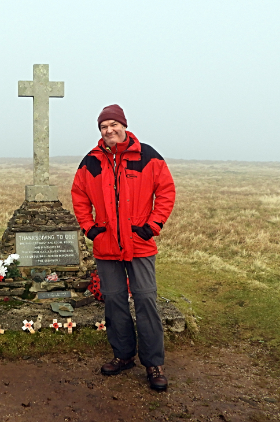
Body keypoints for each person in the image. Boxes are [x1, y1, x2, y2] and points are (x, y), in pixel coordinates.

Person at [71, 104, 176, 391]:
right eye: (104, 126)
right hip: (106, 246)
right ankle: (123, 355)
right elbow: (79, 195)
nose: (109, 130)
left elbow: (165, 190)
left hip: (139, 244)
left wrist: (152, 226)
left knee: (145, 301)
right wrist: (90, 228)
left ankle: (154, 363)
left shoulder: (147, 156)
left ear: (124, 126)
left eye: (113, 125)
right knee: (114, 301)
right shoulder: (90, 162)